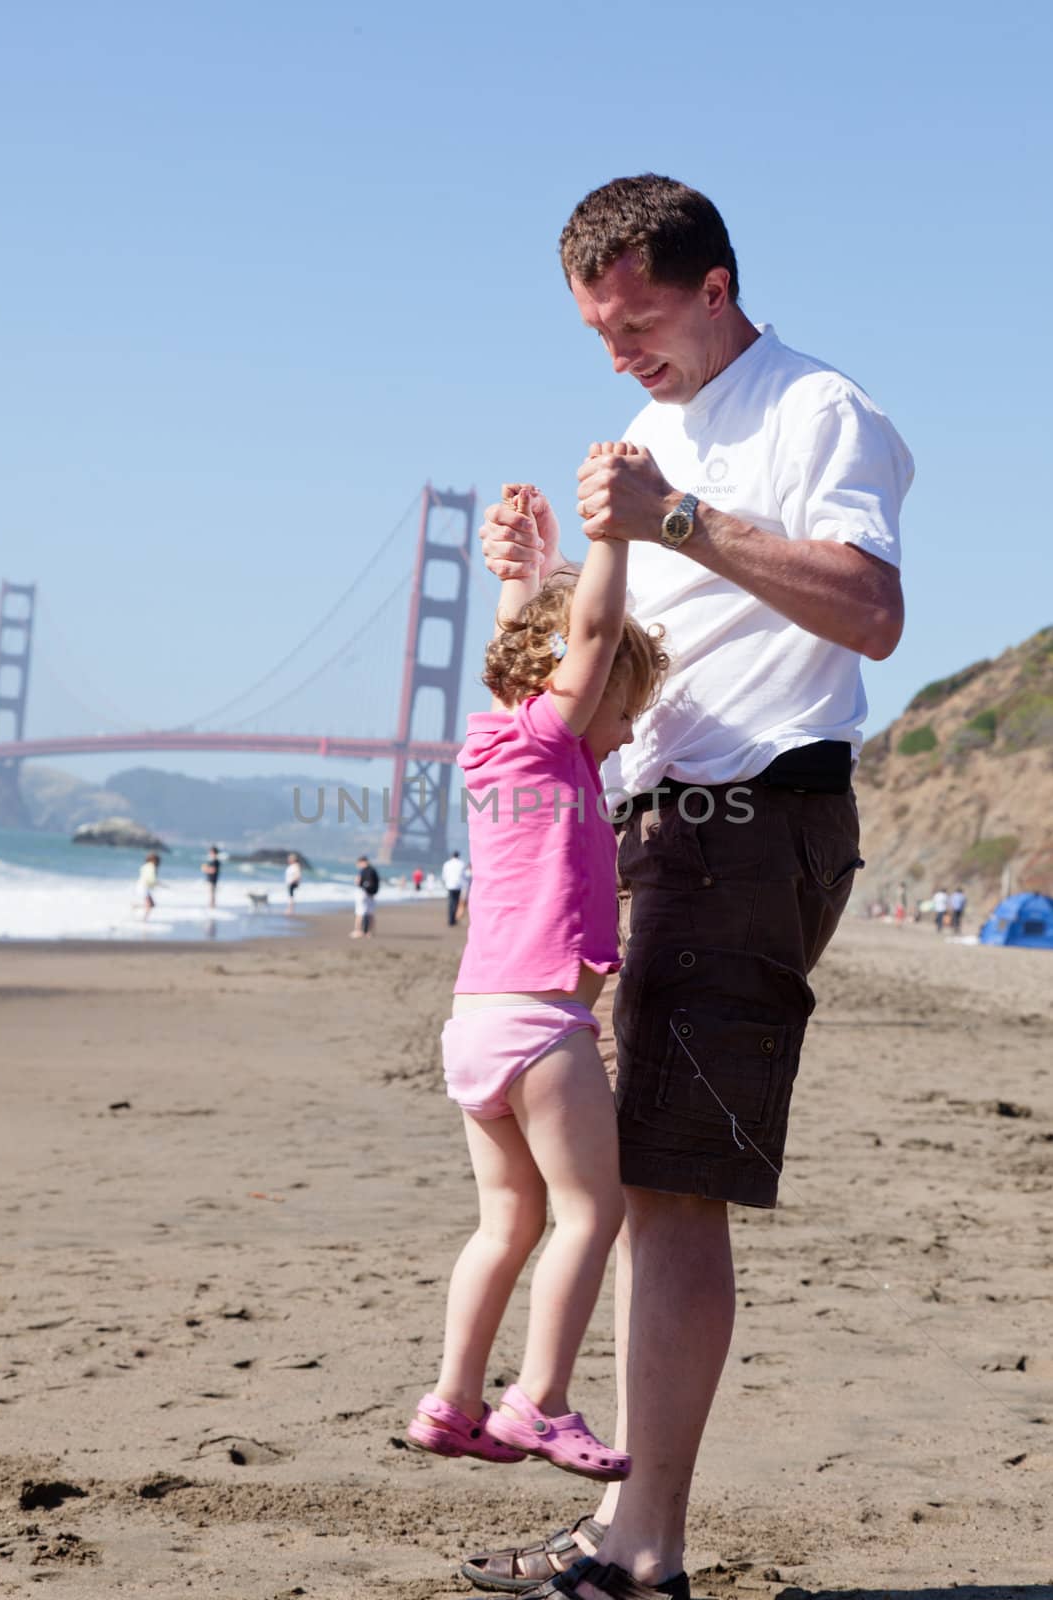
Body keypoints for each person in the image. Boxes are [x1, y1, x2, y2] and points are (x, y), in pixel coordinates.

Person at [460, 175, 912, 1600]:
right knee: (628, 1177)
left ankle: (640, 1546)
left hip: (748, 823)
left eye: (636, 319)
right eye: (594, 331)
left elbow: (871, 610)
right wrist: (540, 581)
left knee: (664, 1189)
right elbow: (615, 662)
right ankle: (624, 1529)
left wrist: (678, 522)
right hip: (646, 830)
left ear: (712, 285)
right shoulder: (655, 431)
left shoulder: (813, 411)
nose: (617, 355)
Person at [407, 486, 668, 1492]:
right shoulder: (558, 740)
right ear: (577, 686)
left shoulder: (490, 748)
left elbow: (545, 647)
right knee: (587, 1213)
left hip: (473, 1028)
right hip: (541, 1025)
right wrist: (608, 538)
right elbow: (591, 629)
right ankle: (538, 1400)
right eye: (623, 712)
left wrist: (519, 578)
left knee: (504, 1221)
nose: (623, 733)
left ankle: (450, 1399)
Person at [351, 854, 379, 938]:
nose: (358, 865)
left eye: (358, 863)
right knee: (370, 913)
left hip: (363, 893)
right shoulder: (373, 870)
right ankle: (370, 932)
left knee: (359, 912)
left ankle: (358, 931)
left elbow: (358, 881)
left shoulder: (363, 870)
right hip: (371, 894)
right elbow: (376, 883)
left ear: (362, 862)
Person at [137, 852, 163, 922]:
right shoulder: (152, 867)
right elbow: (152, 879)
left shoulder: (145, 866)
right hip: (144, 887)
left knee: (151, 904)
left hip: (141, 886)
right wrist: (158, 883)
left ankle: (136, 907)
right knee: (149, 905)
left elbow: (146, 877)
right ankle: (143, 920)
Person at [441, 850, 465, 925]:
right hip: (458, 885)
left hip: (450, 885)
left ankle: (451, 919)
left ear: (452, 856)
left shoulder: (447, 864)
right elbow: (463, 876)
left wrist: (444, 883)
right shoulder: (462, 864)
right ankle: (453, 919)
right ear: (458, 856)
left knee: (451, 903)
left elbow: (444, 875)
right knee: (456, 902)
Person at [201, 844, 221, 909]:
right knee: (211, 894)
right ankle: (212, 907)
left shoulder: (216, 861)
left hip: (213, 880)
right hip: (211, 879)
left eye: (211, 852)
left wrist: (205, 869)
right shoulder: (213, 861)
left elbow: (213, 870)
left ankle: (212, 907)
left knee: (212, 894)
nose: (210, 853)